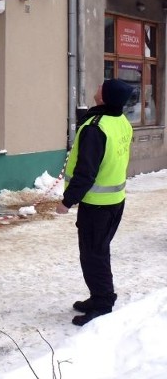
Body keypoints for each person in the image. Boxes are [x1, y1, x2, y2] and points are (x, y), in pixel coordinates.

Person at [56, 78, 134, 326]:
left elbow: (86, 171)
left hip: (98, 206)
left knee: (93, 255)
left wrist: (67, 201)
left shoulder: (96, 127)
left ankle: (103, 303)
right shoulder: (120, 121)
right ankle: (99, 295)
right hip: (115, 201)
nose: (96, 88)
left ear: (105, 97)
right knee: (98, 252)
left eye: (101, 87)